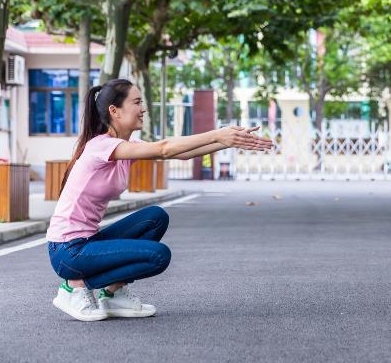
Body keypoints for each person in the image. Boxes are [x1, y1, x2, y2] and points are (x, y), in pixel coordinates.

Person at [46, 79, 272, 321]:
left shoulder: (125, 146)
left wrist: (225, 142)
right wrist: (217, 133)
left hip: (87, 242)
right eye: (136, 102)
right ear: (114, 111)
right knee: (158, 256)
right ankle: (73, 287)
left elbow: (179, 153)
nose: (143, 109)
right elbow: (164, 148)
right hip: (68, 250)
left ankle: (113, 295)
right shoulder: (101, 147)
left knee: (155, 218)